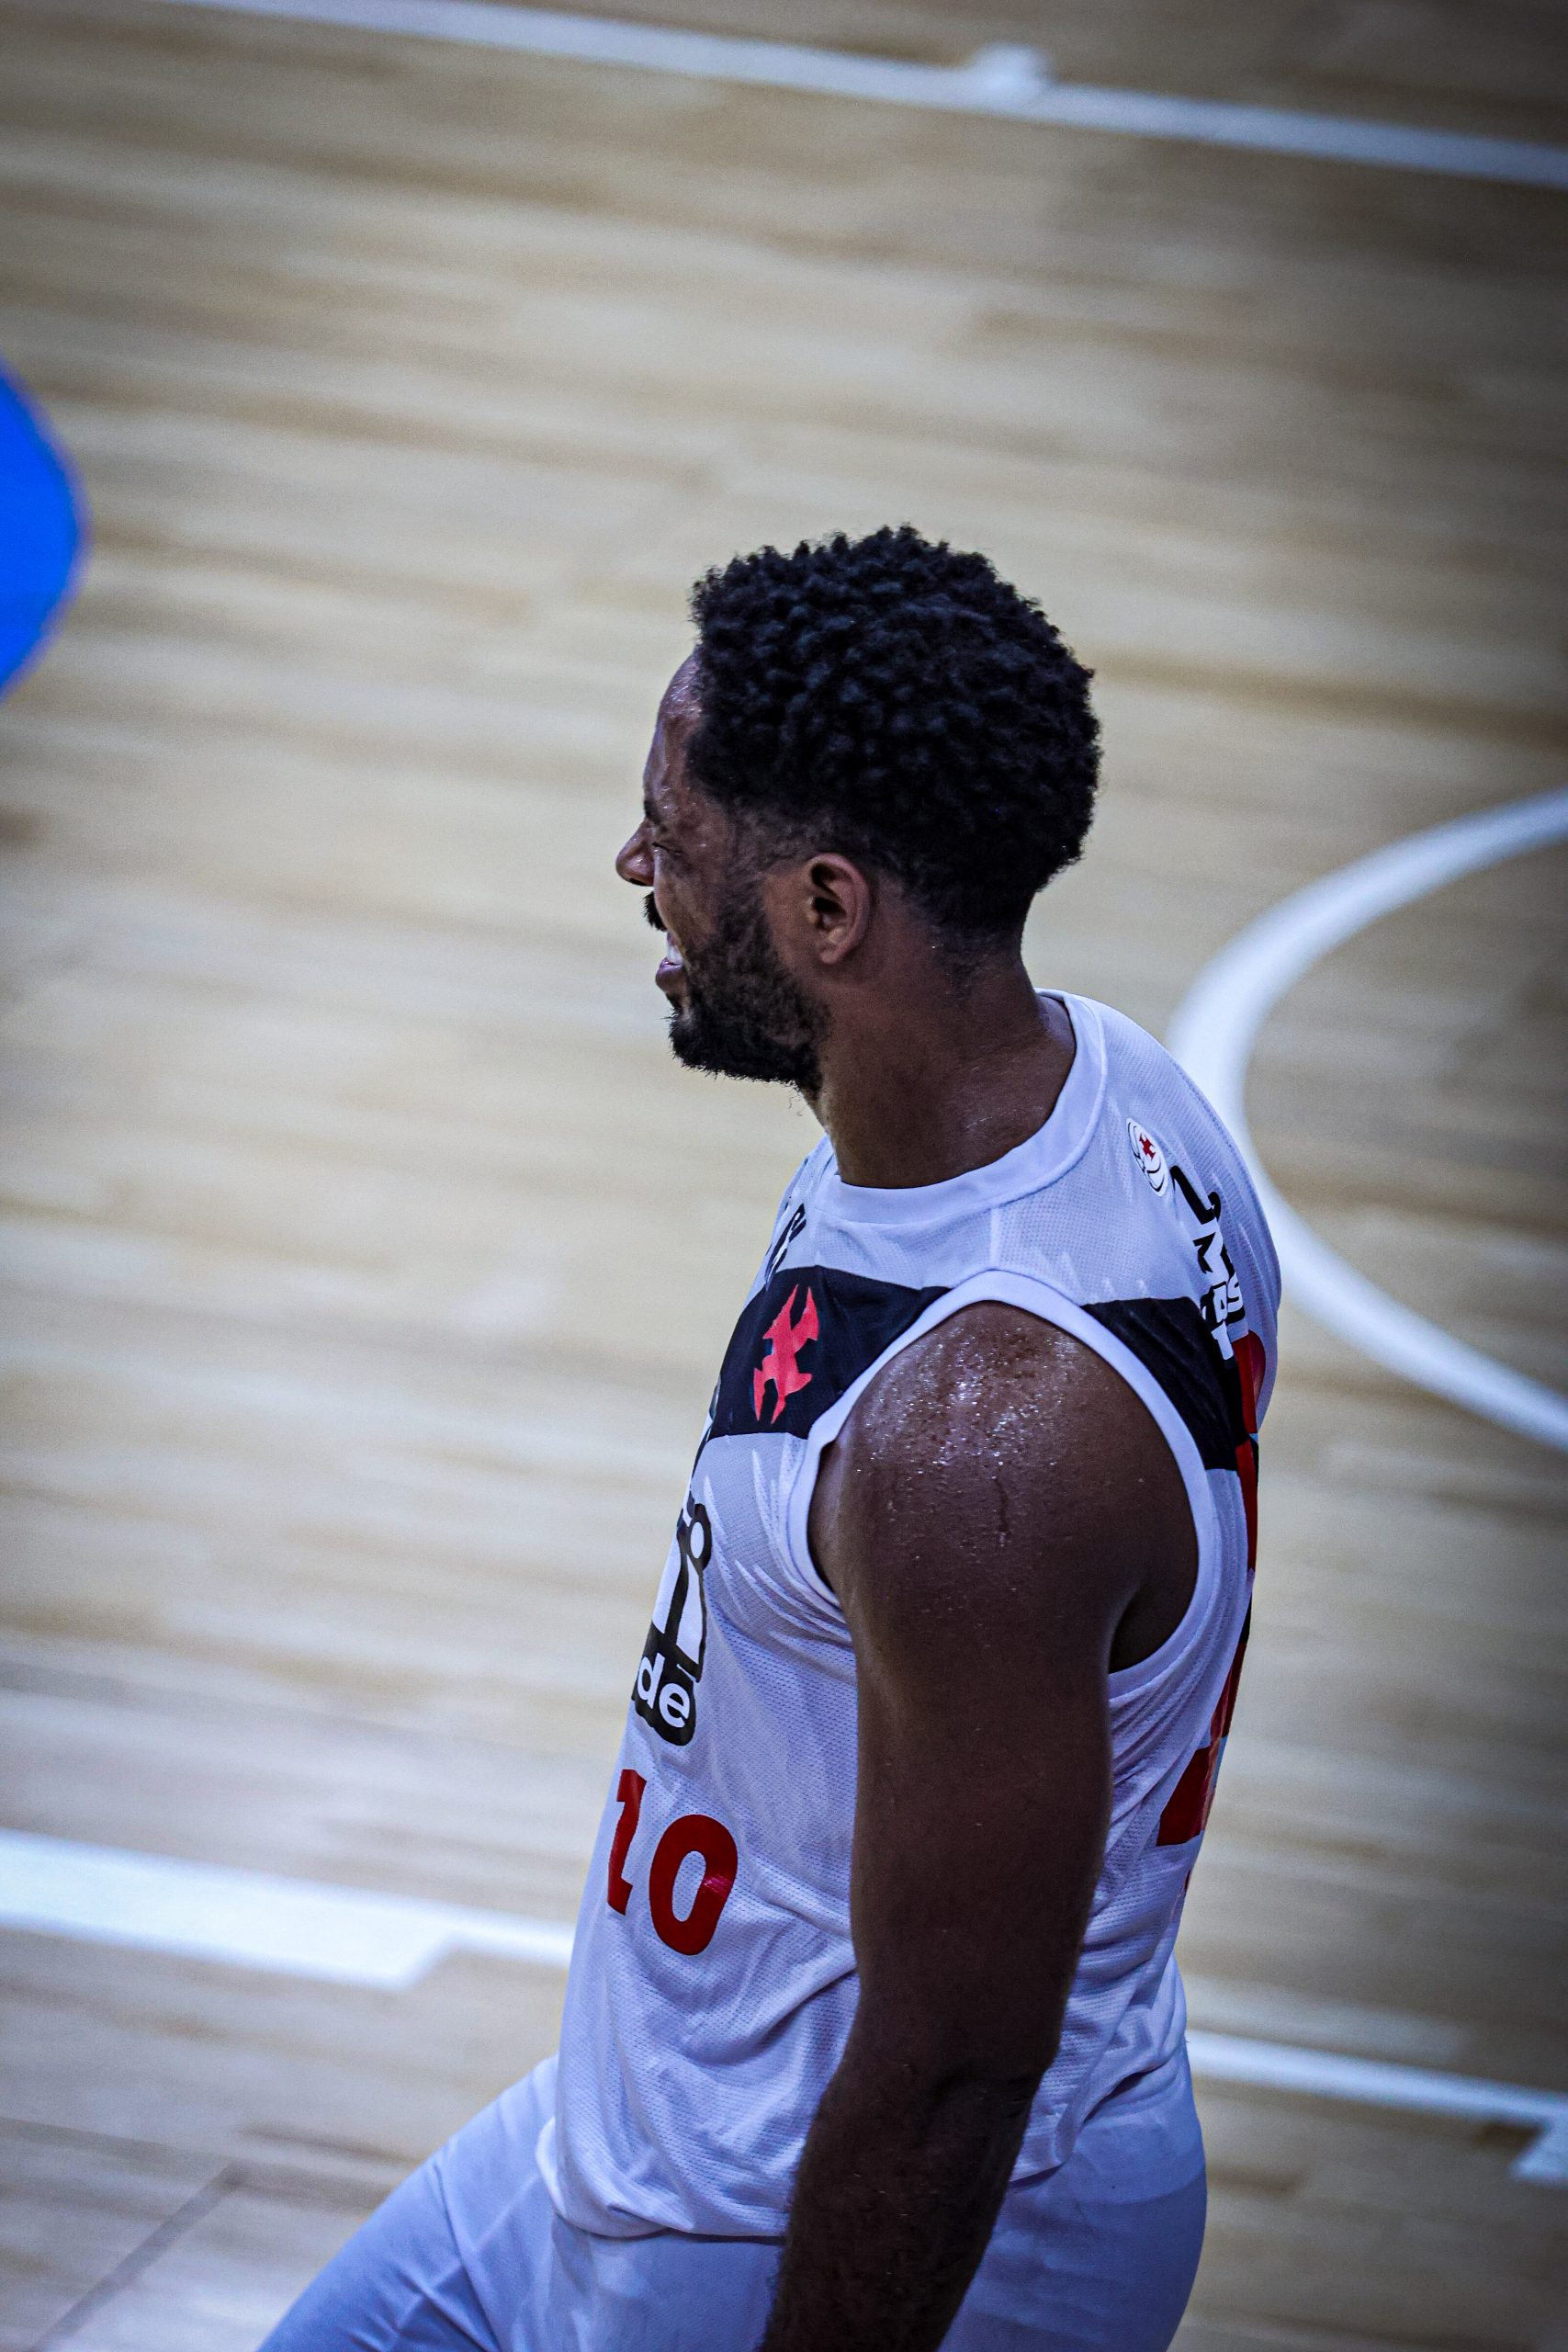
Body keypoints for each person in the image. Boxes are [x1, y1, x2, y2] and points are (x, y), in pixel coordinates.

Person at [265, 526, 1278, 2352]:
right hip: (658, 2106)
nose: (633, 866)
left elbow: (955, 2066)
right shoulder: (1108, 1092)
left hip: (813, 2211)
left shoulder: (977, 1446)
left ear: (826, 910)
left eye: (674, 832)